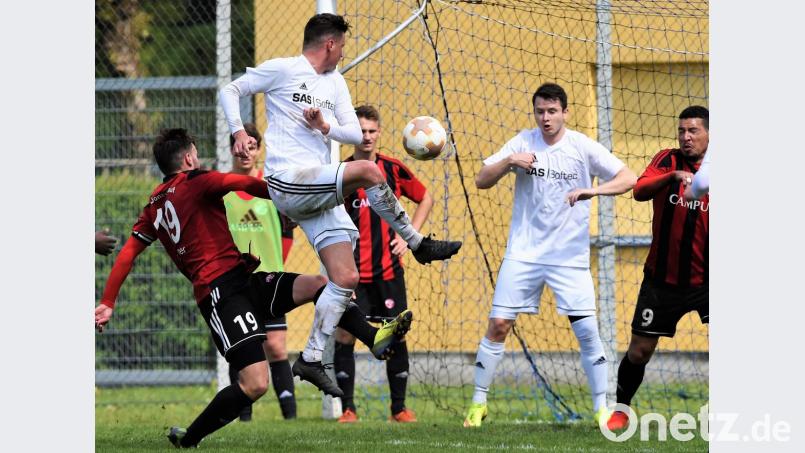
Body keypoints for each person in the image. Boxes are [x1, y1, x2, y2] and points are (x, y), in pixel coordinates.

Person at [94, 128, 413, 448]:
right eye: (196, 152)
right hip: (220, 295)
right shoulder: (198, 181)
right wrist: (300, 195)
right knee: (255, 383)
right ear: (189, 157)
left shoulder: (154, 205)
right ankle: (189, 439)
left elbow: (128, 253)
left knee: (318, 284)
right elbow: (246, 184)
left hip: (243, 279)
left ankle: (373, 338)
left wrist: (108, 301)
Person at [219, 13, 462, 396]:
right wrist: (237, 129)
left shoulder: (335, 83)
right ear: (330, 43)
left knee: (346, 277)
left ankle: (312, 357)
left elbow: (351, 131)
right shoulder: (283, 70)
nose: (343, 51)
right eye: (342, 45)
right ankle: (417, 243)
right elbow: (230, 89)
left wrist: (325, 127)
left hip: (316, 188)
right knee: (368, 170)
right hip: (288, 179)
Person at [463, 82, 637, 428]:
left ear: (565, 113)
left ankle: (602, 408)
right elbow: (482, 179)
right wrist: (510, 161)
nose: (546, 118)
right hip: (523, 253)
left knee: (587, 331)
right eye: (540, 111)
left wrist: (593, 189)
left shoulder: (581, 147)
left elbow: (629, 177)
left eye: (552, 111)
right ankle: (478, 404)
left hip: (568, 258)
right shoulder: (522, 142)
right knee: (498, 325)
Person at [606, 106, 709, 431]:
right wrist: (671, 177)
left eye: (693, 131)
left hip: (709, 281)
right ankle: (621, 409)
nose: (686, 137)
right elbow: (638, 191)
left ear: (709, 134)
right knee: (638, 352)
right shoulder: (667, 159)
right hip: (661, 280)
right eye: (681, 131)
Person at [333, 105, 433, 424]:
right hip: (352, 273)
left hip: (389, 270)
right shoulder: (340, 172)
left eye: (371, 131)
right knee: (345, 335)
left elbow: (425, 197)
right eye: (360, 130)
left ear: (379, 134)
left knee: (396, 333)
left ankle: (398, 409)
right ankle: (348, 409)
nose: (366, 136)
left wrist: (409, 236)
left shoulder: (392, 169)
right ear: (351, 133)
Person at [224, 123, 296, 421]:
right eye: (242, 146)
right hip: (234, 283)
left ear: (258, 150)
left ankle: (291, 420)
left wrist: (277, 264)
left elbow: (288, 232)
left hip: (268, 280)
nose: (246, 152)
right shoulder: (221, 191)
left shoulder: (271, 189)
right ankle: (244, 420)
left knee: (276, 348)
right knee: (243, 349)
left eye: (253, 147)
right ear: (232, 149)